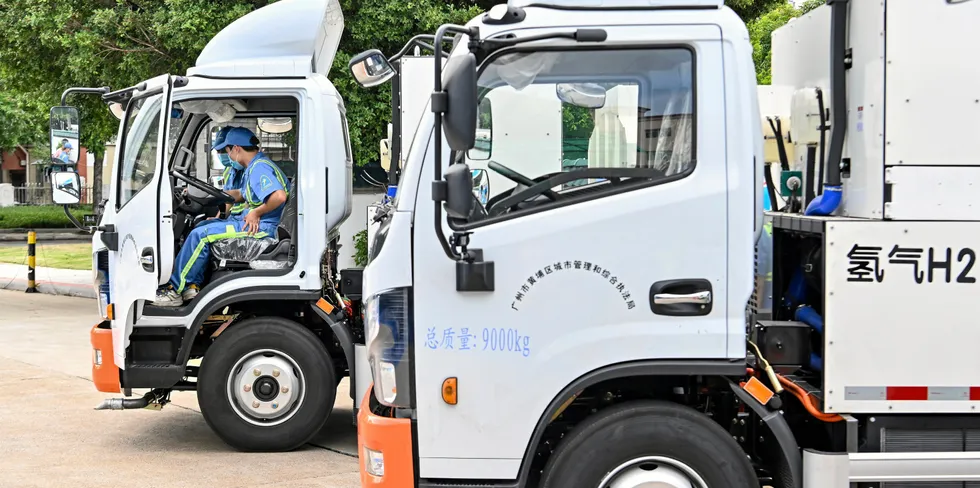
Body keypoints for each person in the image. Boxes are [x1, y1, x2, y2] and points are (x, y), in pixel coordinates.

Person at [153, 127, 289, 307]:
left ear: (236, 148)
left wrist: (256, 212)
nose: (228, 156)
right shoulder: (254, 166)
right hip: (257, 223)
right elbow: (243, 193)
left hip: (263, 228)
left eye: (227, 151)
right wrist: (216, 194)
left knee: (200, 236)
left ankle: (175, 290)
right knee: (200, 228)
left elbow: (279, 196)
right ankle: (191, 286)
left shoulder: (259, 168)